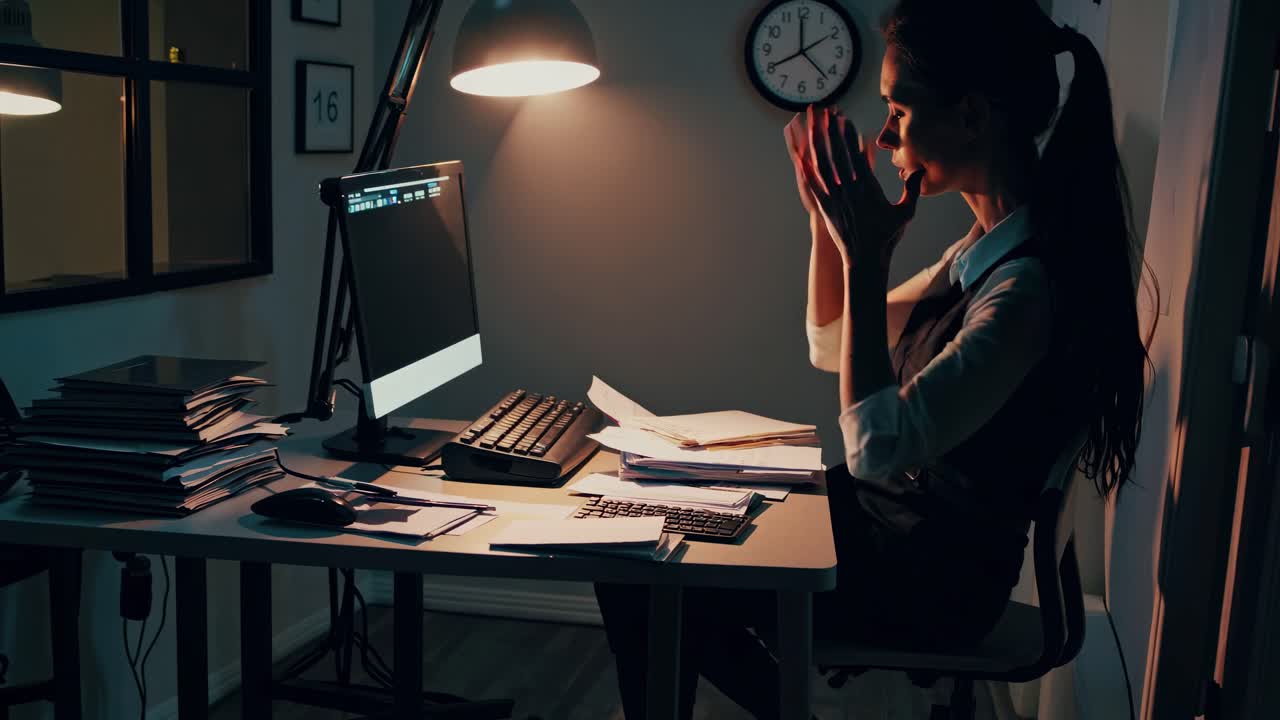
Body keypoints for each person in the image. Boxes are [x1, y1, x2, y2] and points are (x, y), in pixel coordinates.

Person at [594, 0, 1157, 717]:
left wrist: (867, 256)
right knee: (638, 539)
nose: (886, 132)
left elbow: (877, 446)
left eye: (899, 108)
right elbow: (833, 342)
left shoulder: (1026, 289)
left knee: (646, 571)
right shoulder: (986, 253)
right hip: (883, 529)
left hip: (926, 579)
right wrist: (827, 228)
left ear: (973, 115)